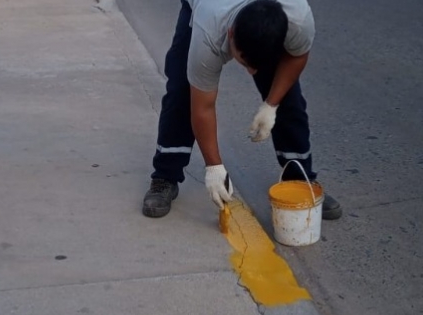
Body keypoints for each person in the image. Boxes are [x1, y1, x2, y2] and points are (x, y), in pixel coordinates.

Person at [142, 0, 342, 220]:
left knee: (287, 97)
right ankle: (164, 176)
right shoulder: (209, 30)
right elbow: (202, 107)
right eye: (244, 62)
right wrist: (214, 167)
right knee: (182, 90)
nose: (250, 71)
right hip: (209, 5)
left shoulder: (297, 19)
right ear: (230, 34)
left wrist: (271, 104)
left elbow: (297, 57)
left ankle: (300, 180)